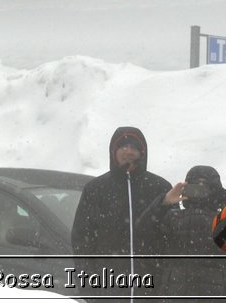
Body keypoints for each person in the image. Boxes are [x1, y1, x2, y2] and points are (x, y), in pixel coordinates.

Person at [70, 125, 171, 295]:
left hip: (151, 289)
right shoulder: (96, 189)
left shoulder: (160, 188)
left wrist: (166, 283)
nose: (129, 151)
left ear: (142, 153)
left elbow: (173, 238)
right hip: (108, 288)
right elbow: (82, 239)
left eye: (134, 147)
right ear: (113, 151)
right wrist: (88, 283)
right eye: (123, 146)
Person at [148, 164, 226, 302]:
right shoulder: (224, 219)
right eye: (195, 186)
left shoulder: (172, 216)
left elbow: (144, 230)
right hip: (216, 294)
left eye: (203, 187)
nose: (199, 191)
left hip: (174, 293)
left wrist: (163, 203)